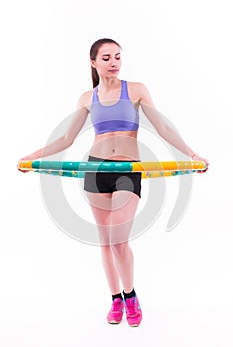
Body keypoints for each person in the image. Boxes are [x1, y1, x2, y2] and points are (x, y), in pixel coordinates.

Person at [18, 38, 209, 327]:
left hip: (127, 171)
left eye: (118, 56)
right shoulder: (86, 97)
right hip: (95, 170)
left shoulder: (136, 90)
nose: (114, 62)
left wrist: (191, 154)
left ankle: (131, 296)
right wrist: (33, 158)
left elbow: (162, 126)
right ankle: (115, 300)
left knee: (119, 240)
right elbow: (66, 138)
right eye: (106, 58)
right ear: (93, 62)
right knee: (105, 243)